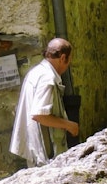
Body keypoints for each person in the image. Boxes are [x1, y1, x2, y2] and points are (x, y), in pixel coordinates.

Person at [9, 38, 80, 167]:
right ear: (63, 58)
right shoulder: (48, 78)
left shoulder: (36, 72)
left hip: (36, 150)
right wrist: (70, 125)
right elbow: (39, 115)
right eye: (69, 59)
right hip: (46, 157)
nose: (69, 64)